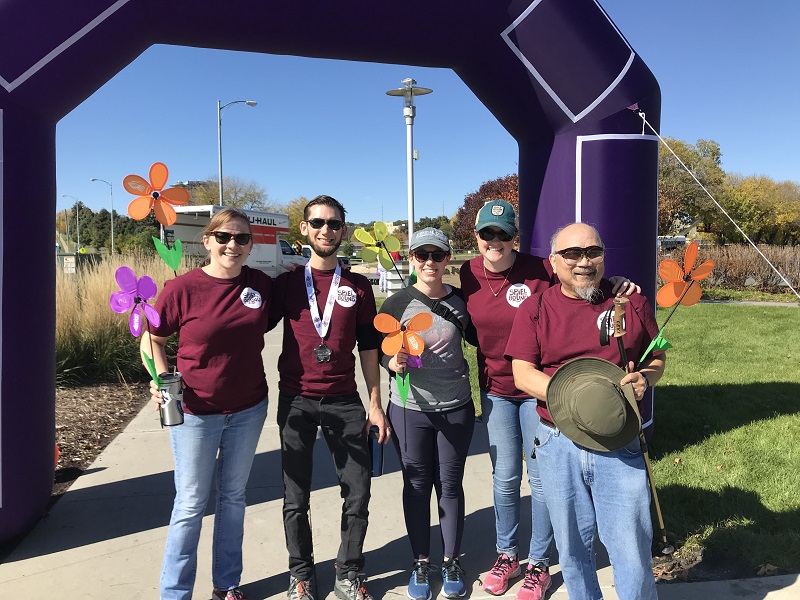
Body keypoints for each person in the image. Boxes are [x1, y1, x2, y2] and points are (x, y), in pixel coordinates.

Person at [459, 201, 637, 600]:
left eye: (504, 234)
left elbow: (582, 273)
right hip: (497, 389)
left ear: (514, 238)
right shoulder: (467, 273)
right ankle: (507, 556)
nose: (495, 241)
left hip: (540, 389)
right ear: (477, 236)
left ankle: (539, 562)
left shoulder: (540, 266)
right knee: (504, 478)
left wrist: (618, 281)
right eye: (488, 233)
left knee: (540, 480)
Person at [505, 222, 666, 600]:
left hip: (619, 441)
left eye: (592, 252)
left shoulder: (630, 302)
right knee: (573, 549)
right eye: (572, 254)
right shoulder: (537, 307)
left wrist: (647, 379)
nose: (584, 261)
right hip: (558, 440)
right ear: (554, 262)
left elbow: (656, 358)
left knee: (631, 548)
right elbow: (521, 372)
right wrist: (572, 398)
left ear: (603, 257)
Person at [141, 207, 271, 600]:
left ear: (250, 245)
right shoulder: (182, 289)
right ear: (208, 241)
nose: (233, 245)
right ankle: (175, 593)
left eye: (242, 238)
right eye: (225, 237)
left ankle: (227, 585)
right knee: (191, 503)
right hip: (196, 413)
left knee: (233, 499)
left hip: (249, 408)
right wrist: (161, 380)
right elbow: (152, 338)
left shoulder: (261, 285)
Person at [268, 195, 389, 600]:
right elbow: (242, 326)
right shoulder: (286, 284)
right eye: (317, 222)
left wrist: (375, 404)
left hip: (344, 400)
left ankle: (348, 571)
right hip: (296, 400)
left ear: (343, 231)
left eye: (334, 224)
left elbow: (369, 347)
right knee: (294, 495)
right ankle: (300, 574)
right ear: (303, 229)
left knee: (358, 490)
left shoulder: (357, 286)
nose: (326, 230)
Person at [377, 228, 476, 600]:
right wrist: (392, 362)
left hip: (455, 408)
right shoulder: (396, 303)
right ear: (411, 259)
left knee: (449, 485)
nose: (430, 262)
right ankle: (420, 562)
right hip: (409, 409)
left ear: (448, 258)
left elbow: (486, 340)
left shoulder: (462, 303)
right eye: (422, 255)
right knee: (417, 486)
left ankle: (451, 560)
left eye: (438, 255)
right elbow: (375, 351)